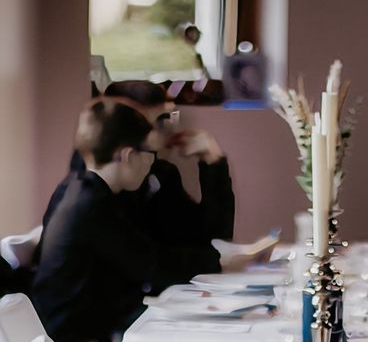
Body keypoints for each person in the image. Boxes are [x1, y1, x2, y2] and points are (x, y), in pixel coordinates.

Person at [32, 97, 203, 342]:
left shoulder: (80, 189)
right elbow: (152, 266)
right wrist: (218, 262)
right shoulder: (92, 206)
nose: (152, 163)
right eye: (149, 154)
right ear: (128, 155)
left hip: (83, 336)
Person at [35, 81, 234, 286]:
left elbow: (211, 238)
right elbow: (147, 264)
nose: (172, 130)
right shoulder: (92, 192)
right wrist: (218, 260)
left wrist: (213, 162)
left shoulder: (161, 174)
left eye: (171, 118)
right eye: (161, 121)